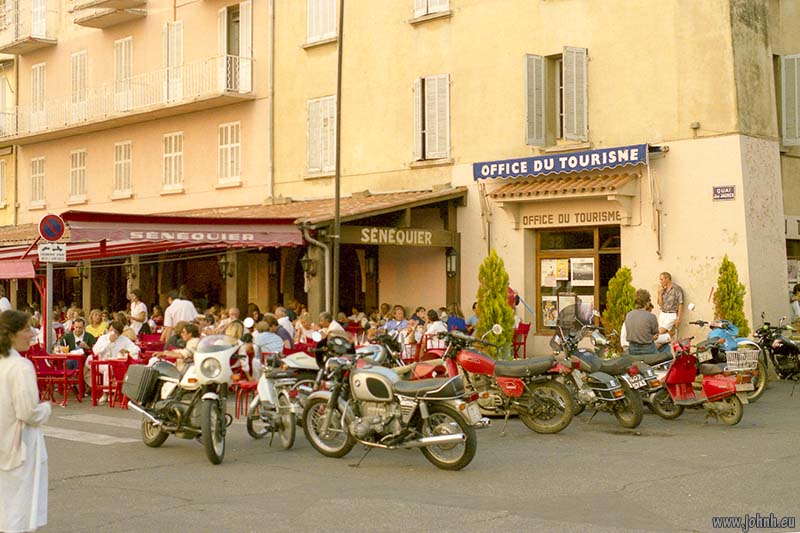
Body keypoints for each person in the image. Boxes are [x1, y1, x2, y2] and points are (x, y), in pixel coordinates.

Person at [0, 310, 51, 532]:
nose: (32, 334)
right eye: (27, 329)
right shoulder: (20, 367)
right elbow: (27, 411)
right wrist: (45, 409)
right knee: (17, 508)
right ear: (12, 334)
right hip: (19, 444)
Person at [90, 321, 141, 403]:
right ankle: (106, 393)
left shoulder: (124, 339)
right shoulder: (103, 338)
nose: (112, 333)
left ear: (119, 333)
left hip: (118, 364)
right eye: (111, 330)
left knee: (118, 369)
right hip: (102, 363)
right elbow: (95, 351)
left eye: (115, 331)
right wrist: (109, 342)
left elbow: (136, 349)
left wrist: (127, 350)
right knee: (109, 368)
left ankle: (115, 393)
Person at [623, 289, 660, 355]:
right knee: (664, 358)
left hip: (632, 349)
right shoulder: (651, 316)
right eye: (649, 300)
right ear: (647, 303)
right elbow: (656, 335)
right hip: (648, 350)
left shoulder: (628, 315)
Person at [657, 272, 684, 337]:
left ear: (667, 279)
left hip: (671, 315)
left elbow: (680, 303)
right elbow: (660, 304)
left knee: (659, 332)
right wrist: (659, 293)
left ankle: (672, 333)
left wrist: (678, 318)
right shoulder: (662, 289)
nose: (660, 281)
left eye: (661, 279)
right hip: (662, 314)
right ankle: (672, 334)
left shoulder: (677, 289)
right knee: (662, 335)